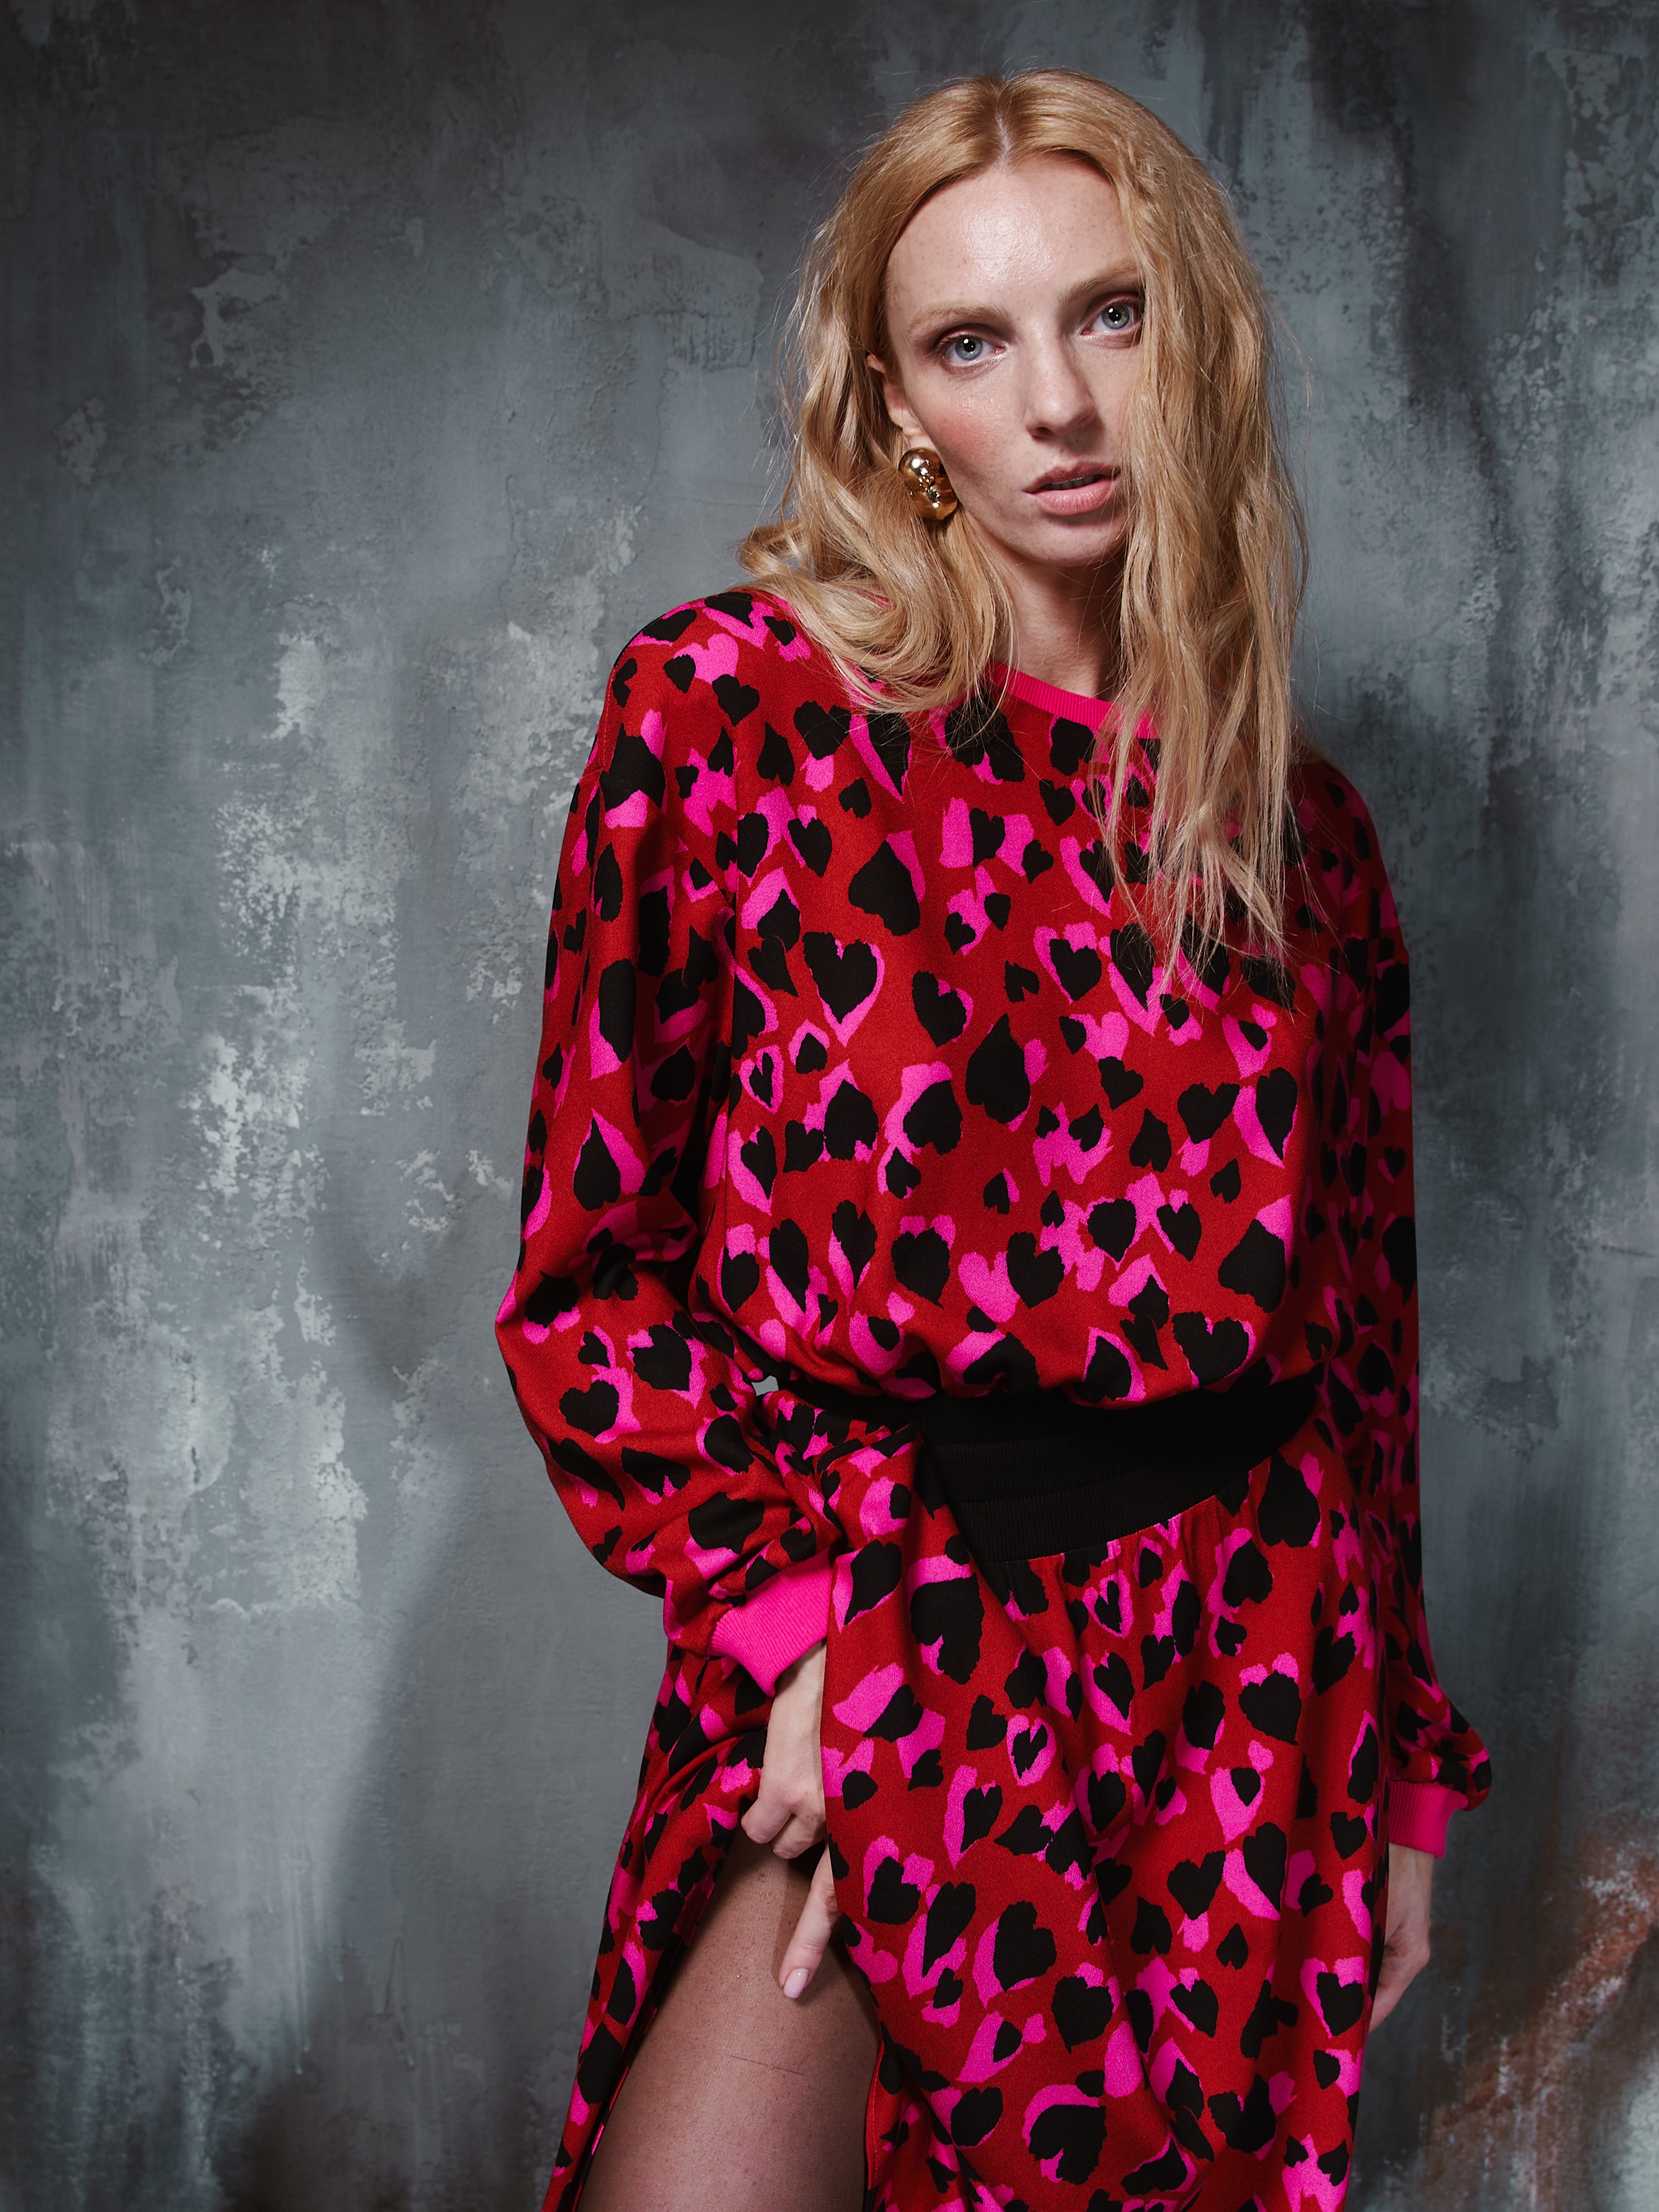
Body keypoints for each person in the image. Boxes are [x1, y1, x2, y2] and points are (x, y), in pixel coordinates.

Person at [496, 68, 1490, 2212]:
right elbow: (591, 1286)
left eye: (1110, 315)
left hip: (1247, 1686)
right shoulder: (729, 721)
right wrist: (793, 1620)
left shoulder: (1300, 832)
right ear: (891, 407)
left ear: (1193, 342)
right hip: (893, 1615)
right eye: (971, 341)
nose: (1056, 402)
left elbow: (1359, 1340)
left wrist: (1403, 1773)